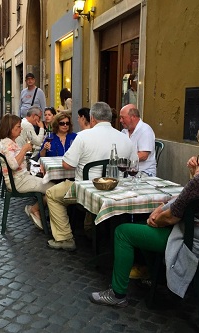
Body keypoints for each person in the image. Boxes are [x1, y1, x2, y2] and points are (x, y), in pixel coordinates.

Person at [89, 116, 199, 307]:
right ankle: (156, 276)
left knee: (123, 232)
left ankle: (117, 294)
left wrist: (155, 218)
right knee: (144, 225)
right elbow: (194, 202)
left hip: (194, 243)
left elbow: (171, 217)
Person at [45, 102, 138, 251]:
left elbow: (67, 165)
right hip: (117, 190)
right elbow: (134, 165)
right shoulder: (126, 139)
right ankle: (90, 229)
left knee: (51, 194)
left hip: (86, 190)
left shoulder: (83, 136)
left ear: (92, 118)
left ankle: (64, 237)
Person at [0, 114, 55, 230]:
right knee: (54, 190)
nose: (21, 129)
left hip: (21, 178)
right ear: (9, 129)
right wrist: (24, 149)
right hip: (19, 181)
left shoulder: (7, 142)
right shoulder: (7, 144)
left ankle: (35, 209)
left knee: (51, 187)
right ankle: (36, 210)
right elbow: (13, 165)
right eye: (18, 127)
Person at [120, 104, 157, 176]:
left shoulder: (145, 130)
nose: (120, 120)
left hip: (144, 172)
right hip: (128, 171)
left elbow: (143, 156)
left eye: (123, 118)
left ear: (133, 117)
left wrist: (122, 160)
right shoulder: (124, 131)